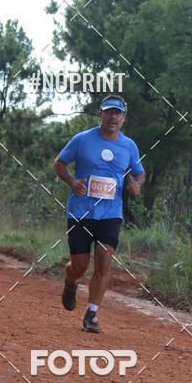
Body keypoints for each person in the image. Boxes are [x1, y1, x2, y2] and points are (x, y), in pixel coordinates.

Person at [53, 95, 145, 332]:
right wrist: (73, 182)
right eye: (109, 112)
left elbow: (139, 172)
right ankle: (71, 279)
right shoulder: (82, 140)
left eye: (118, 113)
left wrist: (136, 184)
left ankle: (91, 314)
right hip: (80, 212)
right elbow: (59, 164)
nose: (113, 116)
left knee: (104, 260)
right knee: (80, 266)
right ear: (100, 115)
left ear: (123, 119)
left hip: (111, 213)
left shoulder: (129, 146)